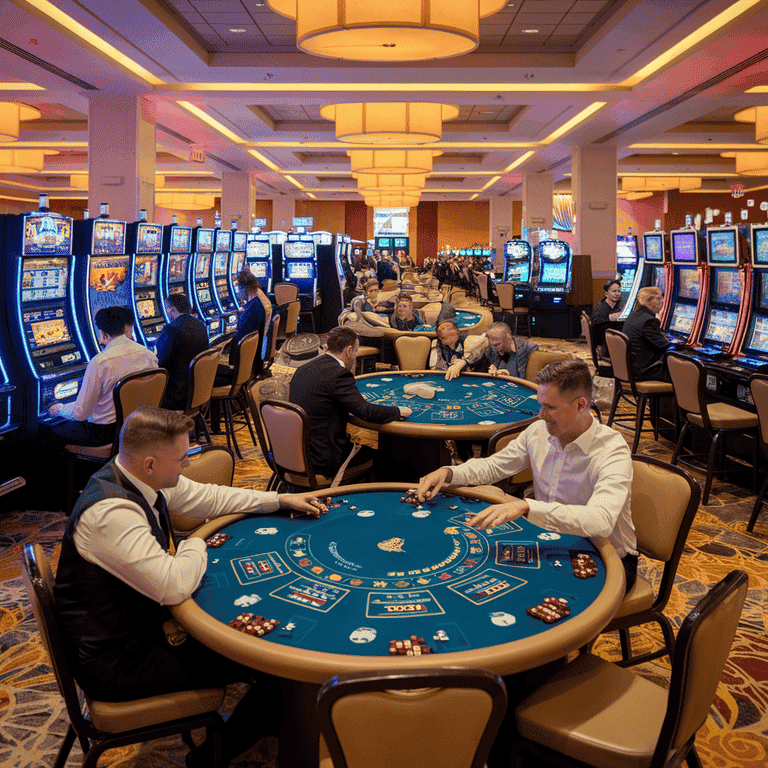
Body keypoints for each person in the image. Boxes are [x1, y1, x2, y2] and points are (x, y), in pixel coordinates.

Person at [54, 407, 326, 768]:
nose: (187, 464)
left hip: (140, 627)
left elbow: (209, 498)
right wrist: (193, 544)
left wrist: (277, 500)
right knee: (273, 671)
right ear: (150, 464)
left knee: (260, 657)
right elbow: (174, 585)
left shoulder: (137, 478)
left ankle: (278, 724)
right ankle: (212, 757)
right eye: (182, 458)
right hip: (117, 659)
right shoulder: (111, 514)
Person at [416, 359, 638, 592]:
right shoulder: (538, 431)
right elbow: (494, 466)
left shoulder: (612, 450)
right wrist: (449, 472)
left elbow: (600, 520)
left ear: (581, 405)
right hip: (553, 538)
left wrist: (527, 508)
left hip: (609, 555)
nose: (541, 415)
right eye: (540, 405)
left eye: (550, 407)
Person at [289, 326, 412, 479]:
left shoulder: (304, 369)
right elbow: (366, 411)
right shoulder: (339, 374)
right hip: (324, 460)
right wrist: (398, 411)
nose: (355, 356)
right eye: (355, 351)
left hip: (297, 453)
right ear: (348, 351)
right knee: (395, 466)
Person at [47, 306, 158, 446]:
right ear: (127, 328)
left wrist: (59, 408)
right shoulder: (148, 355)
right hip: (140, 424)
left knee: (50, 429)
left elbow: (80, 413)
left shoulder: (100, 362)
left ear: (102, 332)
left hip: (105, 434)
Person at [156, 293, 209, 410]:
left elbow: (161, 364)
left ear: (173, 309)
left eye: (166, 308)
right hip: (198, 387)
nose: (166, 311)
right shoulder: (201, 325)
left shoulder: (171, 329)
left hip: (178, 394)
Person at [622, 285, 674, 382]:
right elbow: (666, 347)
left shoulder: (634, 314)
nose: (661, 302)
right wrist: (685, 346)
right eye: (658, 299)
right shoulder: (649, 321)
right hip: (645, 371)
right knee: (686, 372)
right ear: (647, 302)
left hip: (631, 368)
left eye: (661, 299)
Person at [591, 278, 624, 356]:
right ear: (606, 294)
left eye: (619, 291)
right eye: (614, 291)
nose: (617, 294)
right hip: (606, 345)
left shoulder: (616, 305)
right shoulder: (601, 309)